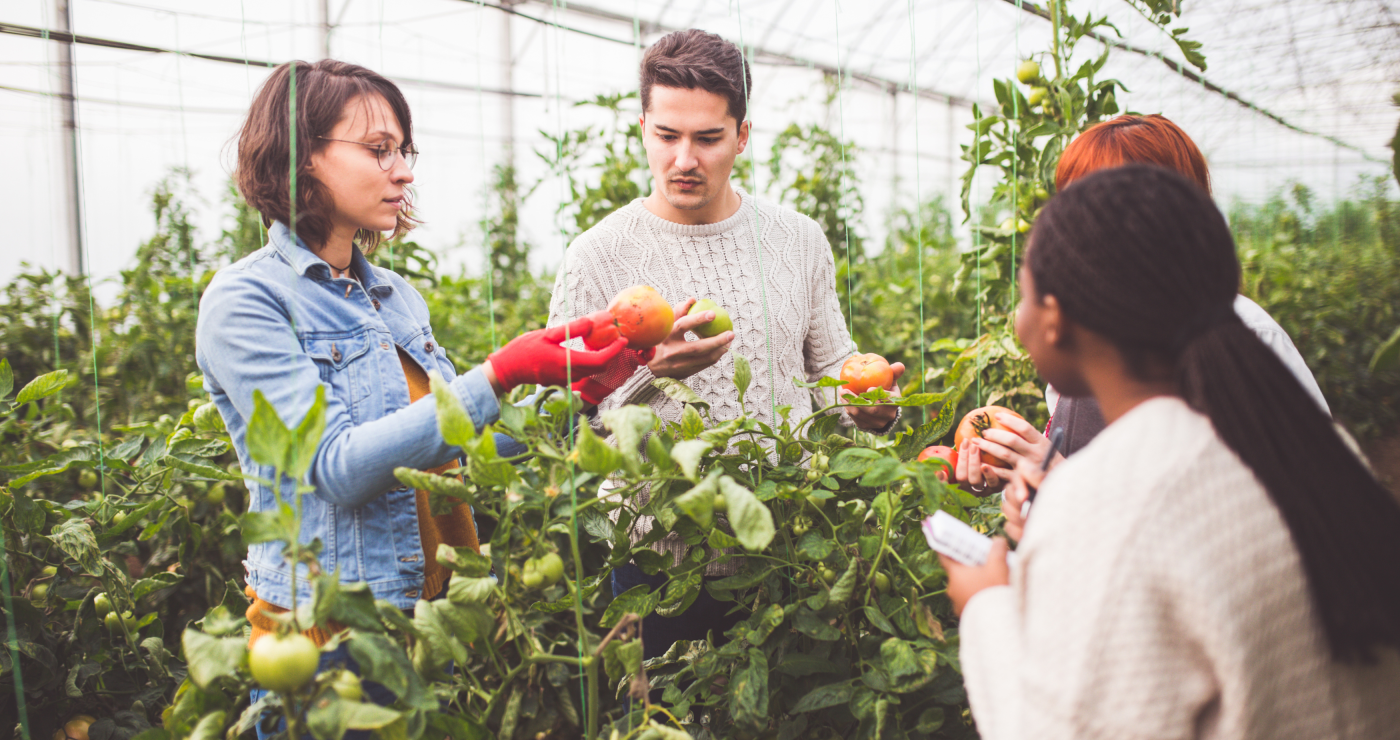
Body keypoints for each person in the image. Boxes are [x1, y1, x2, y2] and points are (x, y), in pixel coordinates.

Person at [195, 59, 627, 730]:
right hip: (330, 641)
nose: (403, 170)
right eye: (378, 150)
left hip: (430, 619)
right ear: (303, 157)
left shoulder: (394, 296)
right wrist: (500, 373)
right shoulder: (246, 301)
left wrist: (584, 393)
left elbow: (462, 447)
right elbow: (337, 468)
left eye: (403, 150)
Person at [941, 165, 1400, 739]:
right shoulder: (1320, 449)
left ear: (1054, 318)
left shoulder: (1105, 496)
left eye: (1026, 292)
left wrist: (985, 606)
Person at [546, 29, 902, 659]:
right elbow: (568, 420)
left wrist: (868, 403)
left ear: (741, 135)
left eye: (708, 138)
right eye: (668, 136)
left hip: (785, 542)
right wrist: (652, 373)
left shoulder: (797, 240)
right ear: (643, 127)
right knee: (662, 717)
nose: (685, 158)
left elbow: (833, 364)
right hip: (655, 558)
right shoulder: (597, 256)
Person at [956, 114, 1328, 496]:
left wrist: (1065, 483)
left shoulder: (1248, 333)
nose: (1072, 222)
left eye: (1099, 201)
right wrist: (1019, 473)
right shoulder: (1087, 331)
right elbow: (1080, 455)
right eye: (1069, 199)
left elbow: (1286, 505)